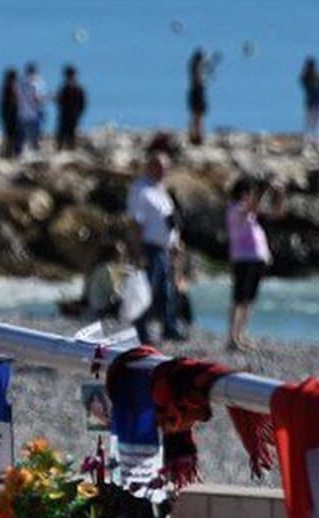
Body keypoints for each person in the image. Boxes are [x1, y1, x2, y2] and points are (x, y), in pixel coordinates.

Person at [127, 150, 186, 344]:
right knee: (146, 291)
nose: (164, 171)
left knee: (165, 292)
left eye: (166, 168)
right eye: (160, 167)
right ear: (150, 166)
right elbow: (136, 222)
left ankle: (168, 327)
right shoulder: (140, 189)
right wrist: (138, 252)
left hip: (164, 248)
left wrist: (175, 242)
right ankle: (140, 331)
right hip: (149, 247)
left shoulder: (161, 190)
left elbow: (169, 220)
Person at [225, 176, 282, 351]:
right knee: (239, 298)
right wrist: (266, 188)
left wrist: (279, 195)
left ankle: (240, 334)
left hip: (257, 258)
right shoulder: (234, 209)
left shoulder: (251, 216)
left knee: (249, 299)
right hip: (243, 258)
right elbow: (253, 206)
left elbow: (276, 213)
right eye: (249, 193)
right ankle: (232, 337)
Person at [186, 48, 220, 144]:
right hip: (197, 91)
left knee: (197, 116)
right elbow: (202, 70)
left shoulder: (195, 67)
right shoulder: (197, 67)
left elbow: (205, 67)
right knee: (198, 116)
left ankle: (196, 135)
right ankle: (198, 136)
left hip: (196, 91)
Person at [17, 63, 46, 155]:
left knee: (21, 138)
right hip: (33, 115)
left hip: (21, 115)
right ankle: (34, 154)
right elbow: (37, 100)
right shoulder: (34, 85)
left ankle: (20, 154)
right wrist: (46, 98)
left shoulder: (19, 84)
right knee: (34, 138)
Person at [55, 65, 86, 150]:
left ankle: (71, 150)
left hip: (73, 116)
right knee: (61, 135)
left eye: (71, 75)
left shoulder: (79, 89)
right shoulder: (63, 88)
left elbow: (83, 104)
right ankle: (60, 150)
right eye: (68, 75)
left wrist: (78, 113)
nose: (70, 77)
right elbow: (59, 102)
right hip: (64, 115)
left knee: (72, 135)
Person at [300, 57, 319, 145]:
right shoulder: (313, 76)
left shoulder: (307, 76)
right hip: (315, 101)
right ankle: (315, 139)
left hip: (314, 101)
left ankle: (312, 138)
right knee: (315, 121)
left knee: (313, 121)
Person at [0, 68, 21, 158]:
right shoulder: (9, 87)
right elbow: (12, 102)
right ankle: (9, 153)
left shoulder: (6, 87)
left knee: (9, 135)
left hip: (7, 115)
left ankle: (8, 153)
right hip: (10, 115)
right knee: (11, 135)